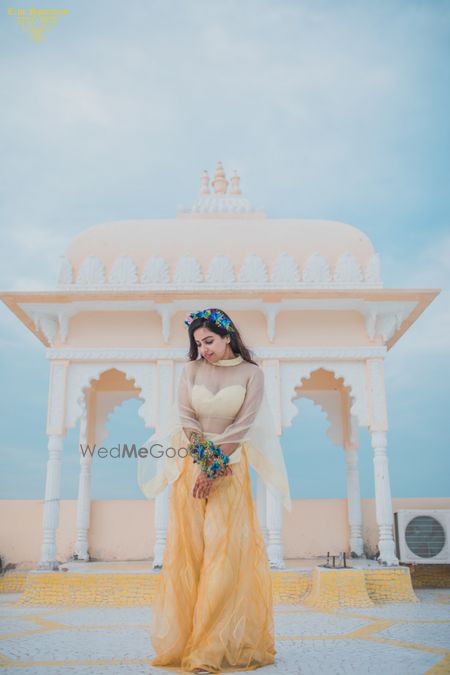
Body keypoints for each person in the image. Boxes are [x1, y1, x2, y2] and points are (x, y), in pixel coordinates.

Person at [137, 308, 291, 674]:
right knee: (190, 553)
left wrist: (216, 466)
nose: (203, 349)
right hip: (192, 469)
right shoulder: (189, 371)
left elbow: (244, 424)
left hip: (231, 469)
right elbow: (188, 418)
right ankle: (187, 641)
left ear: (227, 336)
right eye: (197, 344)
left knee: (224, 555)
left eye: (208, 341)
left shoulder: (252, 374)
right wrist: (203, 462)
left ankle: (210, 647)